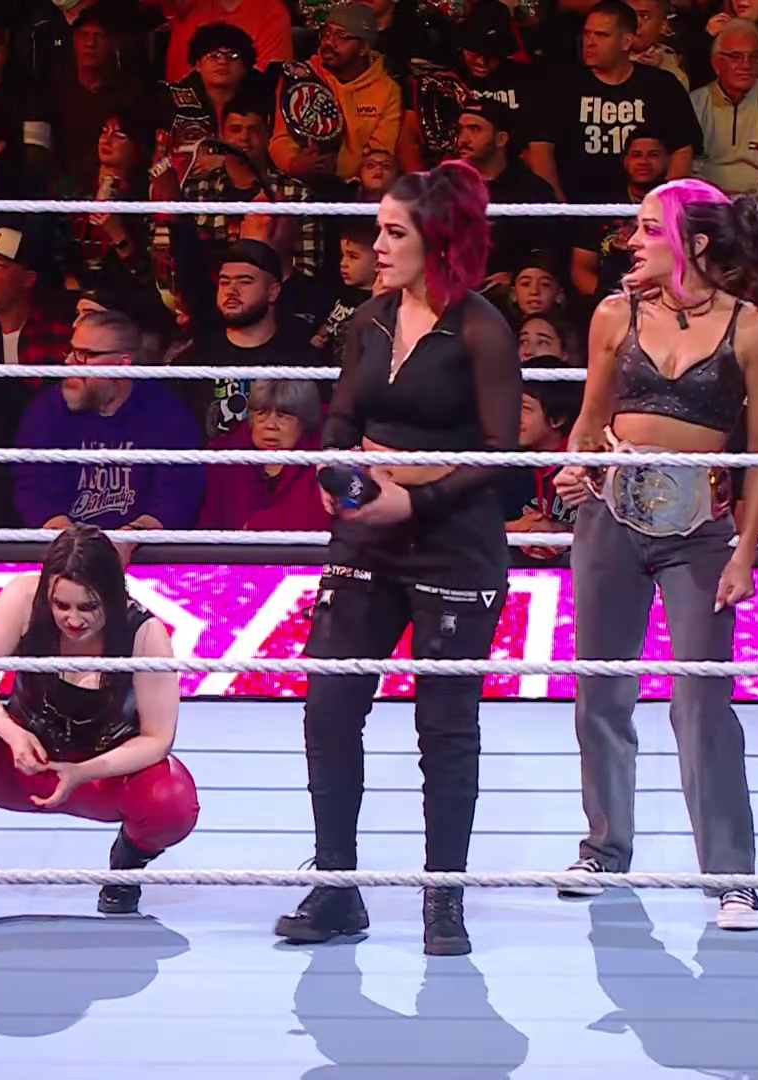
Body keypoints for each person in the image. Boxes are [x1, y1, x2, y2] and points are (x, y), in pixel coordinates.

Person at [273, 161, 521, 958]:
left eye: (392, 232)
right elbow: (341, 421)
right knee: (328, 705)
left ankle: (443, 898)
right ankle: (336, 887)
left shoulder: (481, 329)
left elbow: (501, 453)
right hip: (367, 537)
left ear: (436, 241)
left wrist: (411, 495)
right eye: (377, 230)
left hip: (453, 544)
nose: (376, 246)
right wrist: (341, 477)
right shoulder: (369, 320)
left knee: (444, 725)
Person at [549, 178, 758, 931]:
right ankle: (603, 850)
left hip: (700, 528)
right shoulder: (613, 314)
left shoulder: (751, 329)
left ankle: (731, 877)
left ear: (693, 241)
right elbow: (590, 420)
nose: (632, 241)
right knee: (601, 690)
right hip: (609, 516)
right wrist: (574, 467)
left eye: (648, 228)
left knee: (702, 701)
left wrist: (746, 553)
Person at [0, 524, 199, 929]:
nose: (73, 619)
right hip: (25, 762)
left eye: (88, 607)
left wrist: (82, 772)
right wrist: (12, 733)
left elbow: (157, 739)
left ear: (113, 596)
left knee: (172, 799)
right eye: (61, 605)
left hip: (99, 777)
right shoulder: (23, 597)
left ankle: (128, 863)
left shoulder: (145, 634)